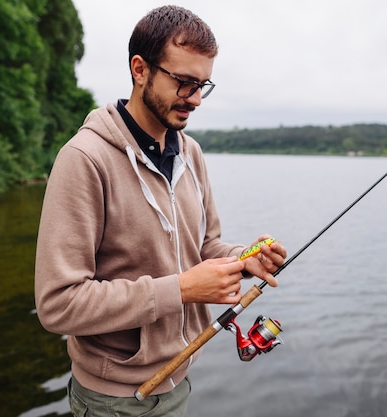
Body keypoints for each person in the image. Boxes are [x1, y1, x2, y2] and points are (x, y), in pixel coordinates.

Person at [34, 5, 287, 417]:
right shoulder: (84, 159)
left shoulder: (191, 153)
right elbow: (58, 304)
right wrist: (182, 290)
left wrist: (242, 259)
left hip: (179, 380)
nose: (196, 100)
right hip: (111, 400)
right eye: (184, 83)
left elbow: (204, 247)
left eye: (204, 85)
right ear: (140, 69)